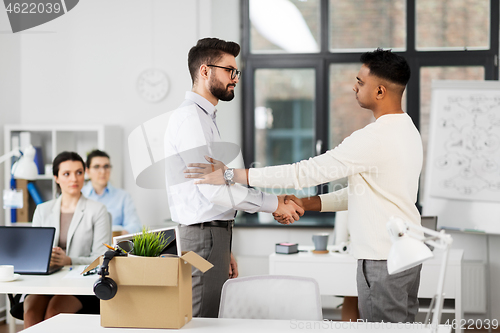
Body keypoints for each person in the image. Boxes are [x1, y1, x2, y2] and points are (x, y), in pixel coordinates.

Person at [185, 48, 423, 323]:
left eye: (360, 82)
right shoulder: (407, 130)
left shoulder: (373, 138)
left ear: (380, 91)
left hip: (382, 260)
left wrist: (232, 175)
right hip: (406, 255)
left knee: (385, 330)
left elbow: (304, 173)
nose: (354, 87)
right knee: (406, 326)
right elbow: (364, 192)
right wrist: (306, 204)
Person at [164, 37, 303, 318]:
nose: (235, 78)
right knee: (203, 319)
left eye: (235, 71)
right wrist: (273, 203)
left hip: (211, 236)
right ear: (205, 71)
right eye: (230, 70)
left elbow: (219, 184)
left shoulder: (204, 118)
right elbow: (212, 190)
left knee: (211, 315)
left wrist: (224, 248)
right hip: (203, 237)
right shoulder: (191, 119)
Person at [23, 151, 111, 328]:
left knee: (54, 312)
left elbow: (102, 258)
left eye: (79, 172)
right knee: (31, 313)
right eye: (66, 174)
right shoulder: (42, 210)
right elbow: (34, 253)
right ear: (56, 177)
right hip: (46, 281)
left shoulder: (98, 210)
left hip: (80, 284)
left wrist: (68, 260)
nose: (74, 179)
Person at [82, 149, 142, 235]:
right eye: (96, 167)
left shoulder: (123, 196)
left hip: (113, 245)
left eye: (106, 166)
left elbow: (135, 225)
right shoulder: (80, 195)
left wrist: (116, 235)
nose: (102, 171)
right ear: (87, 171)